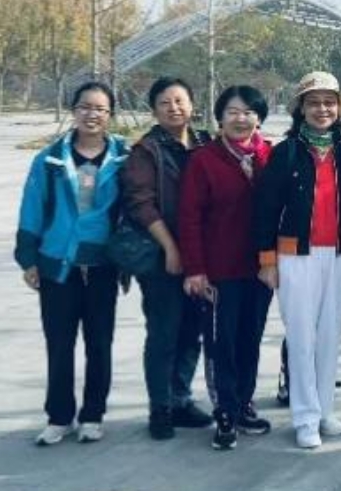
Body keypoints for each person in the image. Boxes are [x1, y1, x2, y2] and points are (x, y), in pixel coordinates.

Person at [14, 81, 129, 446]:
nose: (92, 114)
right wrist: (28, 257)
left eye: (100, 109)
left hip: (103, 266)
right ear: (73, 110)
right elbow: (32, 207)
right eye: (85, 107)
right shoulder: (49, 160)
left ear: (110, 114)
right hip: (57, 266)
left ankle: (93, 415)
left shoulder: (125, 157)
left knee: (99, 343)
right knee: (59, 344)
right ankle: (59, 416)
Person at [254, 71, 341, 449]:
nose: (322, 109)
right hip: (295, 256)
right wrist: (267, 260)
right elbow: (265, 211)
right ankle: (305, 417)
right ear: (301, 108)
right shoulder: (285, 154)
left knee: (330, 336)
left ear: (339, 108)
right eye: (314, 103)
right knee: (301, 338)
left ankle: (324, 410)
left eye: (329, 102)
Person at [177, 85, 275, 451]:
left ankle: (244, 403)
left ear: (259, 118)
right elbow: (189, 218)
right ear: (220, 117)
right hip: (219, 271)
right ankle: (225, 411)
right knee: (222, 343)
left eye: (248, 112)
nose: (240, 118)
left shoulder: (270, 156)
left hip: (261, 270)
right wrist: (195, 269)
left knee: (250, 338)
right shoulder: (204, 160)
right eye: (232, 111)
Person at [121, 77, 214, 440]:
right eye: (164, 102)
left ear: (192, 104)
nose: (174, 108)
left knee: (193, 329)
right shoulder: (146, 150)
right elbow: (141, 204)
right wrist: (172, 249)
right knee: (164, 331)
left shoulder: (206, 141)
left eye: (179, 100)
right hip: (163, 258)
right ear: (154, 110)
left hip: (202, 255)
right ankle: (160, 408)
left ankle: (180, 399)